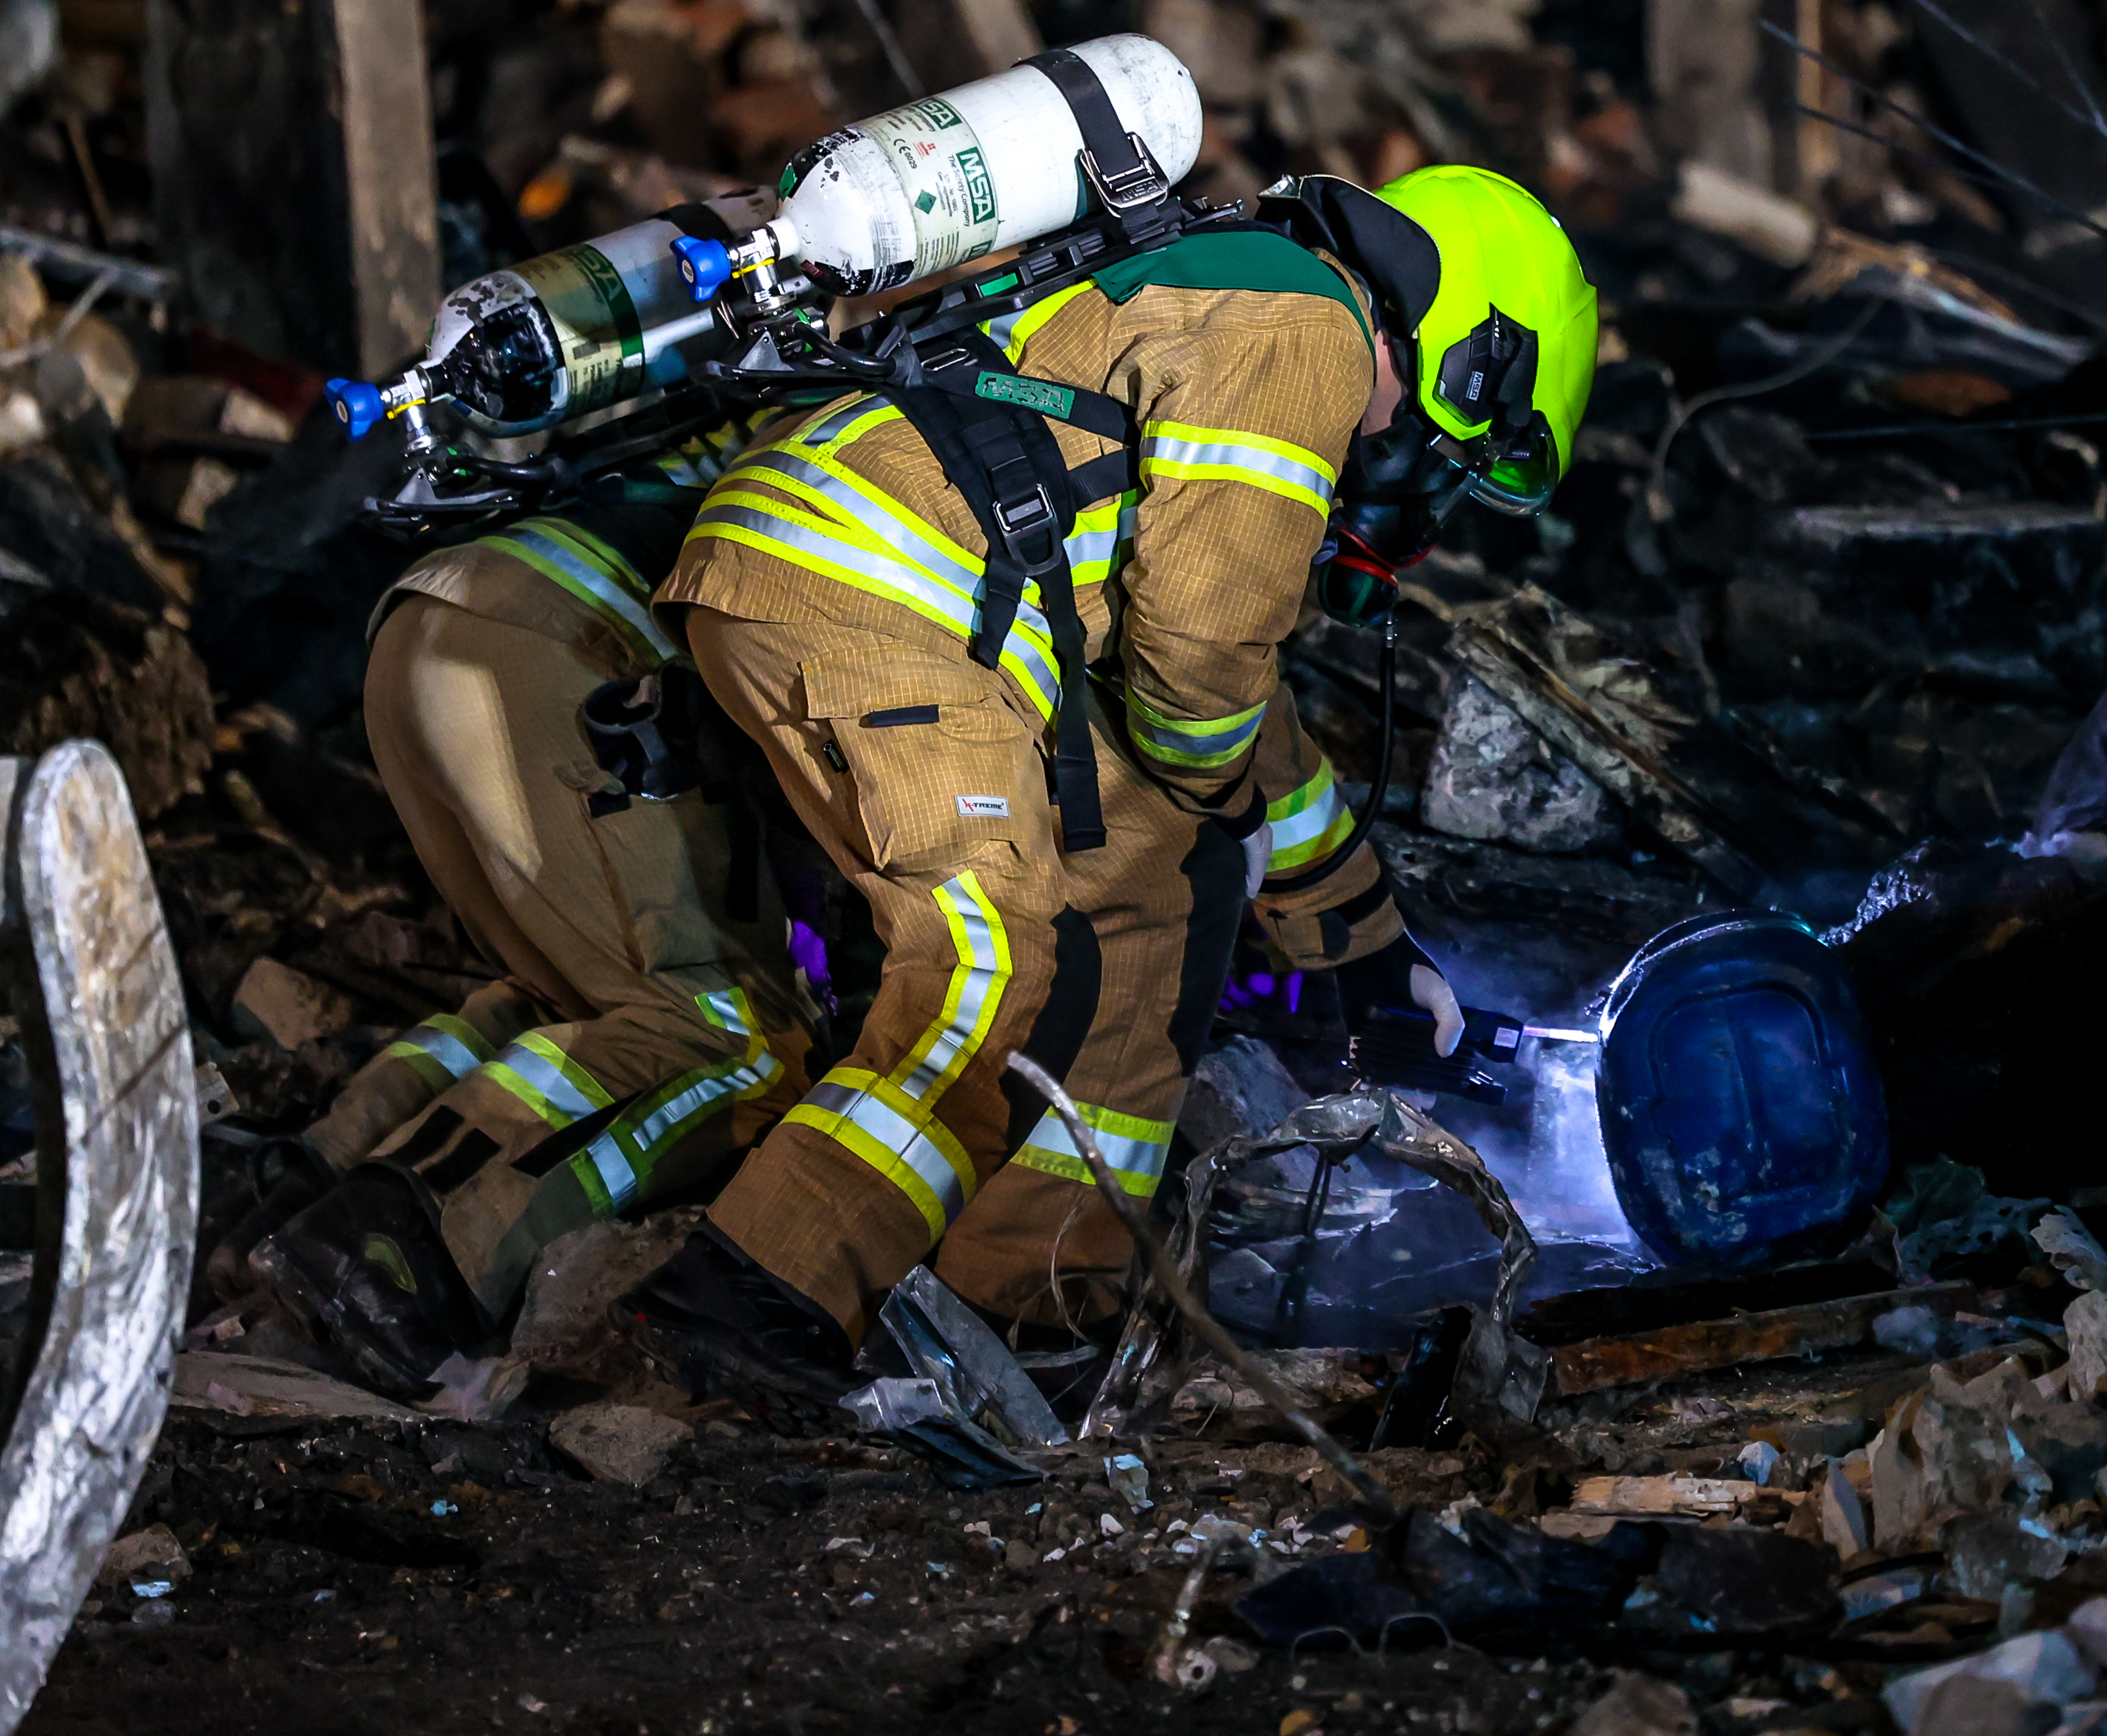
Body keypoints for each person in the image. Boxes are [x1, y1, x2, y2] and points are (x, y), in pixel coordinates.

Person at [621, 165, 1598, 1415]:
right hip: (882, 599)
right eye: (1447, 461)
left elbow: (1232, 706)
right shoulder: (1306, 330)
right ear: (1472, 359)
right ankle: (754, 1294)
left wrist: (1362, 947)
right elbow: (1200, 672)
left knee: (1155, 903)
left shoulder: (1226, 281)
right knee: (996, 971)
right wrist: (1223, 808)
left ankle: (1030, 1308)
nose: (1405, 486)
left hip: (871, 580)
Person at [238, 420, 826, 1397]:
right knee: (732, 1036)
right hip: (574, 652)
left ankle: (304, 1188)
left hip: (433, 618)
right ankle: (403, 1251)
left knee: (574, 1000)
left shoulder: (796, 401)